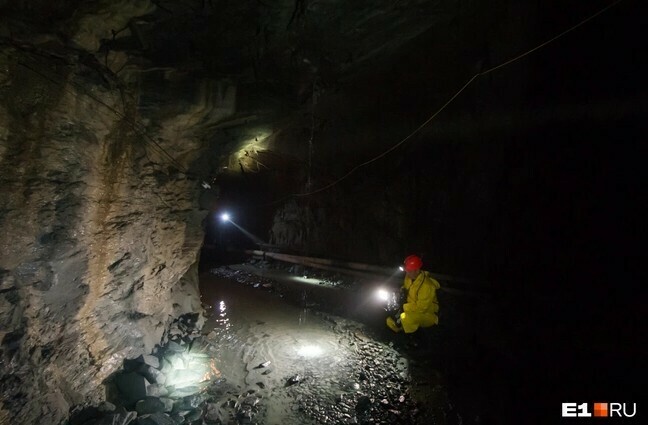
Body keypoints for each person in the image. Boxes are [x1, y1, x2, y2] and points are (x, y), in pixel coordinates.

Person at [386, 254, 440, 333]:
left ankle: (410, 335)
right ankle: (398, 330)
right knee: (390, 319)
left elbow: (422, 308)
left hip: (428, 314)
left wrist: (403, 307)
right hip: (410, 307)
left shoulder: (427, 286)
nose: (407, 272)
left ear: (417, 270)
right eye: (407, 270)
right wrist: (399, 293)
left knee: (405, 318)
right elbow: (405, 287)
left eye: (409, 271)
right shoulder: (409, 276)